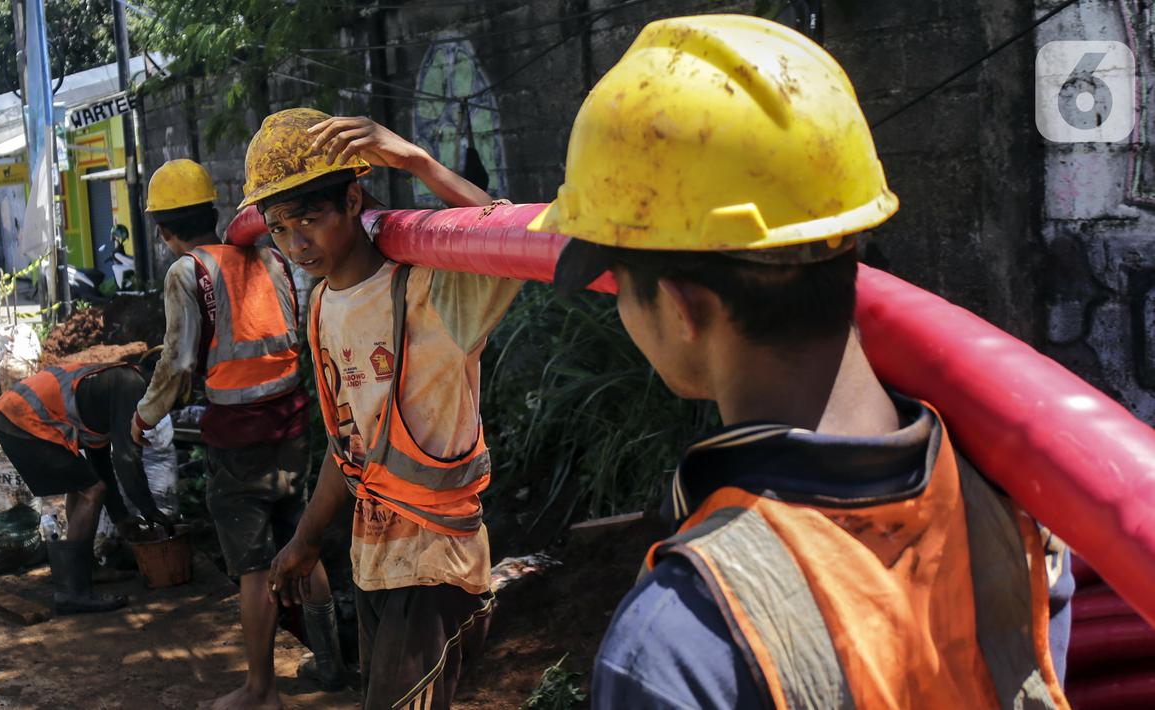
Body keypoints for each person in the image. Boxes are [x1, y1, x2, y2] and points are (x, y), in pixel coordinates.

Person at [534, 16, 1074, 710]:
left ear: (679, 307)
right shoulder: (1018, 516)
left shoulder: (678, 645)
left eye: (615, 286)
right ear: (846, 242)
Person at [248, 109, 518, 710]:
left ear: (351, 199)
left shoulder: (430, 291)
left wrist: (417, 161)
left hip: (435, 562)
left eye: (309, 220)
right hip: (373, 558)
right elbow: (349, 445)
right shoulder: (320, 307)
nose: (296, 244)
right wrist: (306, 538)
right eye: (279, 228)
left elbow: (503, 232)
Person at [132, 158, 349, 709]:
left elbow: (179, 364)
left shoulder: (188, 272)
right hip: (292, 427)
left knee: (253, 567)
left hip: (237, 440)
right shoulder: (272, 256)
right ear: (211, 209)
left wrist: (144, 417)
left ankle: (260, 691)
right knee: (302, 545)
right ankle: (331, 667)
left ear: (163, 230)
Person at [0, 362, 170, 614]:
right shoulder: (133, 387)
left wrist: (121, 519)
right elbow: (126, 458)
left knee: (83, 485)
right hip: (21, 419)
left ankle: (86, 569)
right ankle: (72, 592)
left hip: (13, 415)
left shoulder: (111, 388)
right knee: (92, 491)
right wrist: (150, 510)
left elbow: (101, 463)